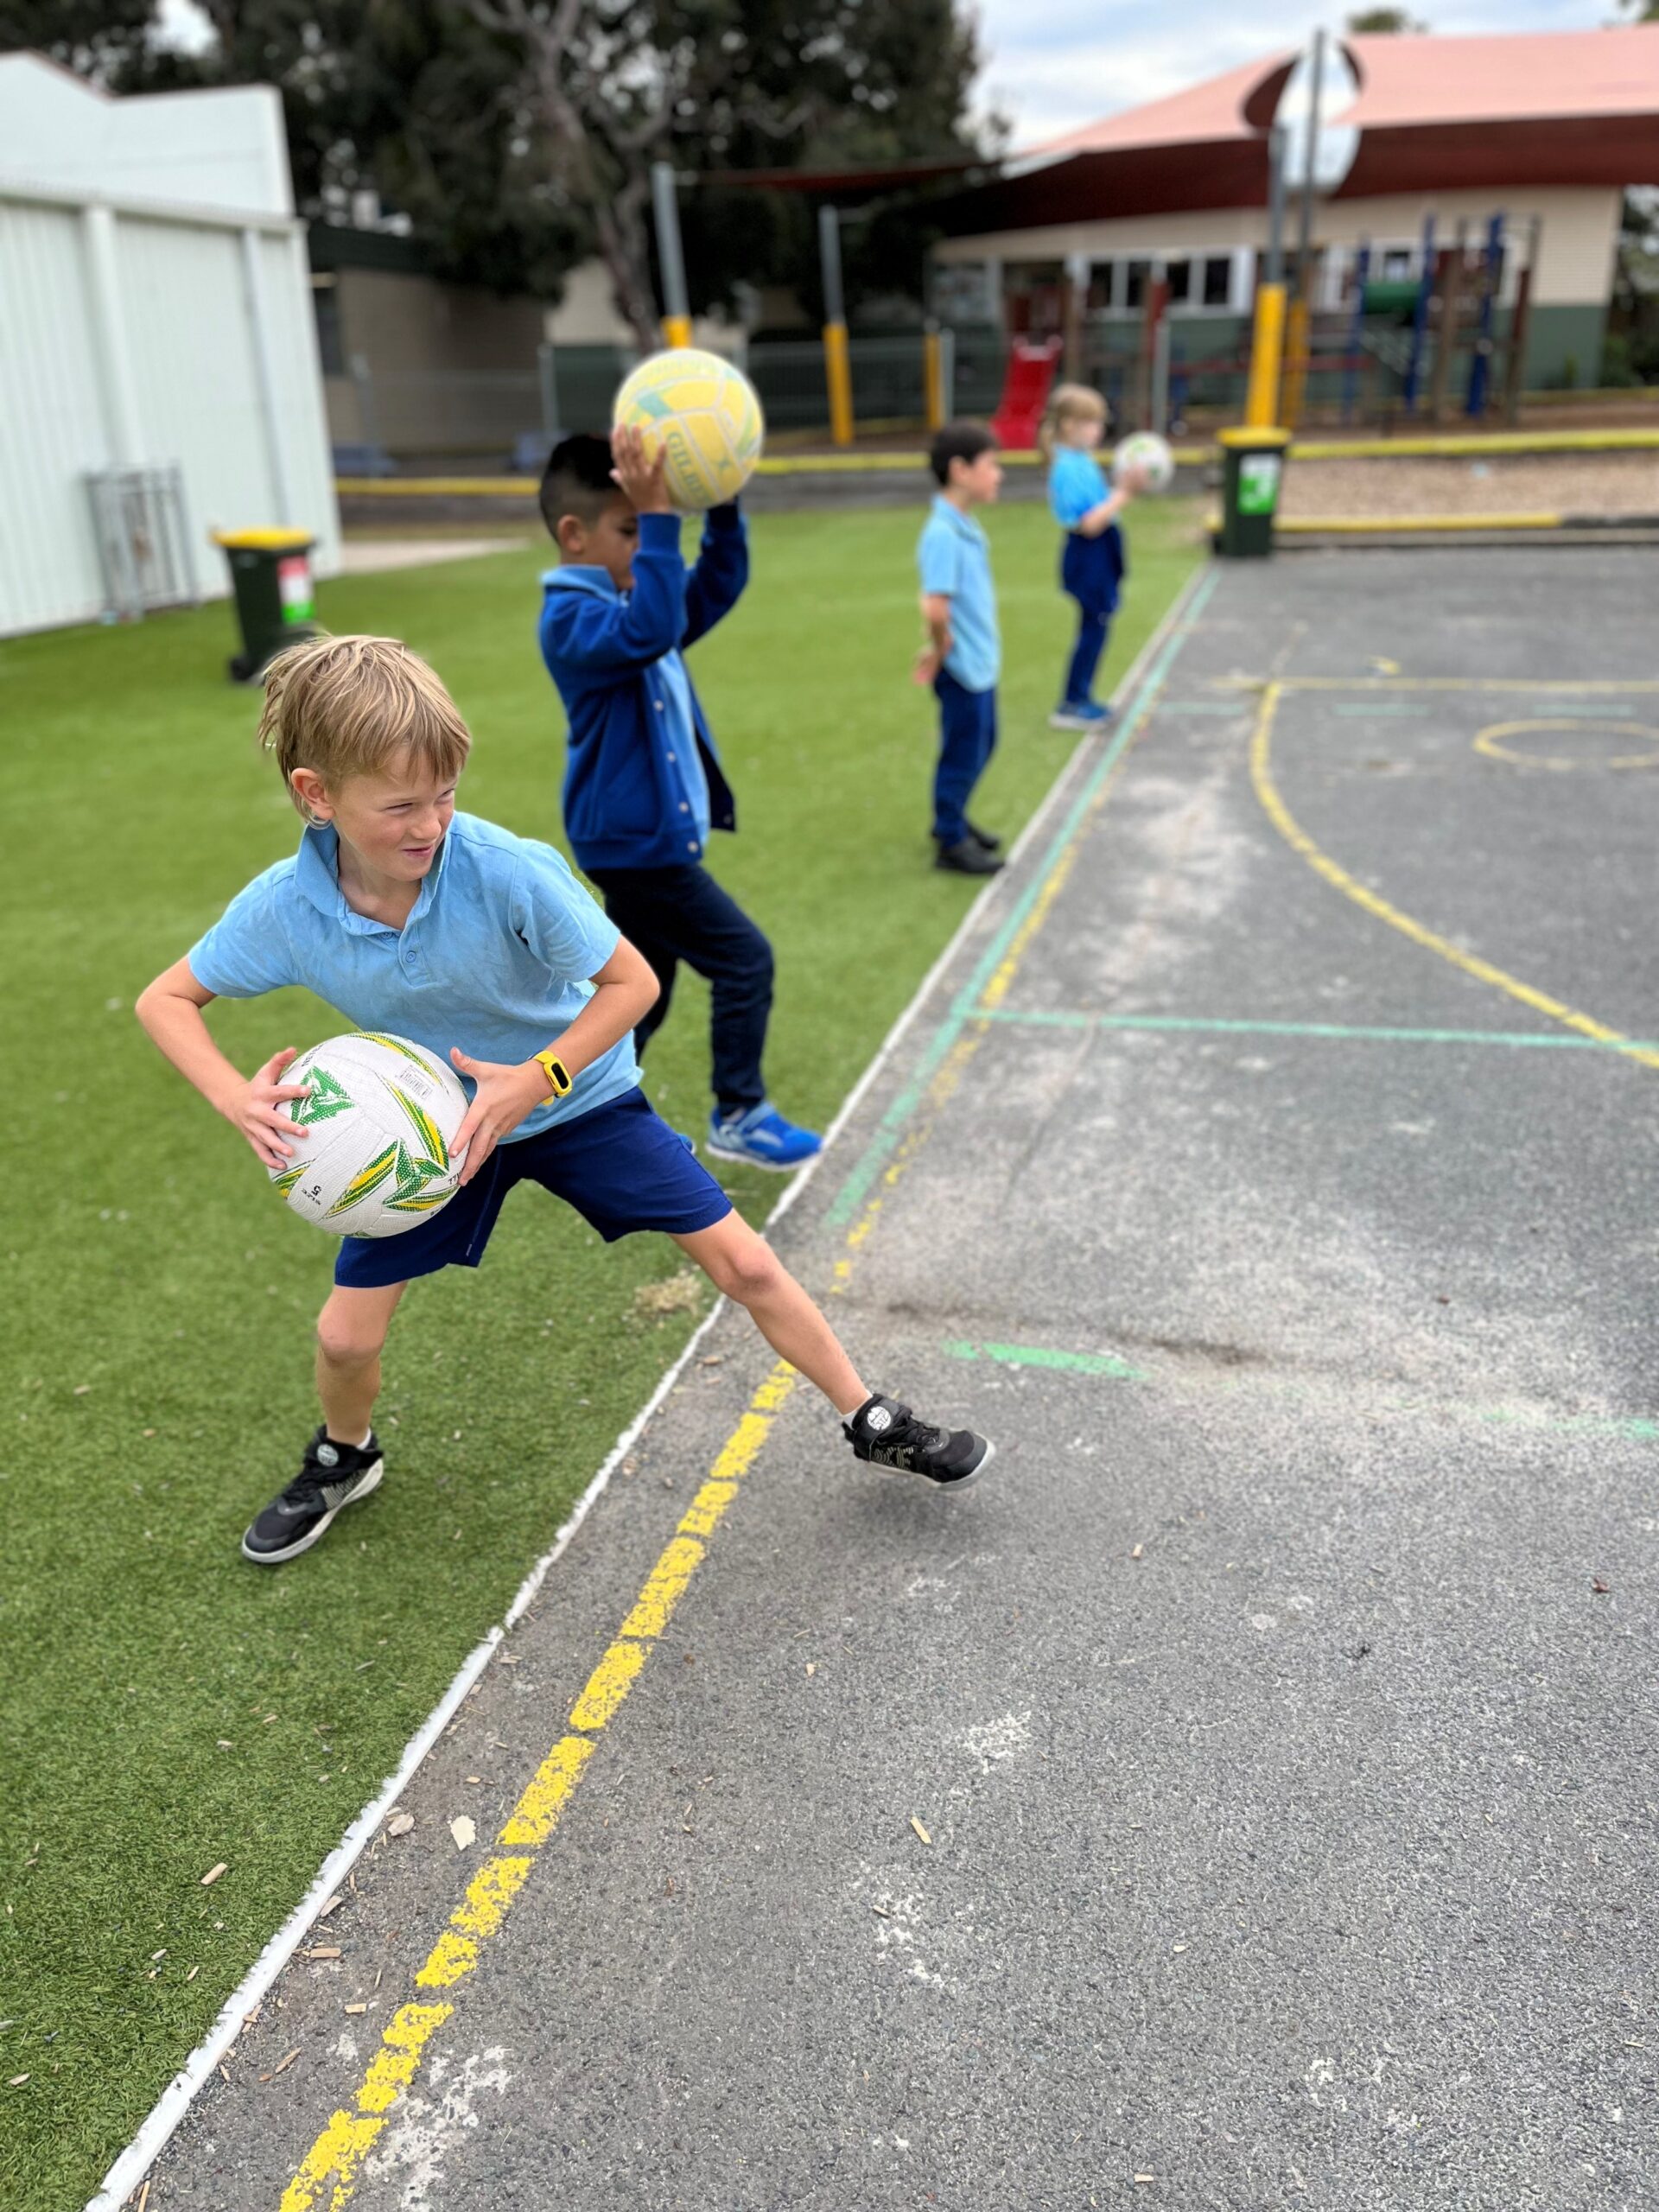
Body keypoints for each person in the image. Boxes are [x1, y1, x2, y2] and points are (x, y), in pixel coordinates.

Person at [133, 635, 994, 1565]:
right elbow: (165, 999)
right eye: (400, 806)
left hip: (576, 1096)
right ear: (317, 796)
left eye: (445, 794)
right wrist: (236, 1097)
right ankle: (347, 1454)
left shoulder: (504, 868)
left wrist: (537, 1077)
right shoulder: (285, 907)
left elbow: (632, 985)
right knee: (343, 1338)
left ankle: (868, 1417)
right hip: (436, 1133)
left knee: (744, 1263)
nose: (431, 824)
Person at [537, 427, 820, 1173]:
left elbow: (712, 587)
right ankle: (739, 1112)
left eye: (646, 529)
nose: (647, 543)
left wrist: (720, 504)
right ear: (574, 536)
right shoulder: (573, 621)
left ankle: (584, 1112)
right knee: (745, 961)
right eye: (630, 530)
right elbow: (654, 627)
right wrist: (664, 521)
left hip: (641, 841)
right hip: (636, 848)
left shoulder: (636, 600)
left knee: (645, 991)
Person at [914, 421, 1005, 878]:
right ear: (960, 471)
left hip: (979, 663)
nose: (999, 474)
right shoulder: (943, 534)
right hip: (962, 667)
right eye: (991, 465)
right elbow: (935, 607)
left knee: (984, 743)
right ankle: (950, 839)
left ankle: (955, 814)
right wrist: (939, 647)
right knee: (963, 751)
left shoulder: (963, 525)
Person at [1042, 383, 1143, 732]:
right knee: (1092, 629)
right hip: (1088, 553)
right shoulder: (1066, 467)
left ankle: (1082, 696)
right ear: (1069, 424)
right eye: (1091, 422)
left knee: (1097, 626)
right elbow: (1088, 524)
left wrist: (1120, 487)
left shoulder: (1081, 461)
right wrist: (1124, 494)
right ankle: (1072, 702)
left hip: (1100, 550)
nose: (1098, 429)